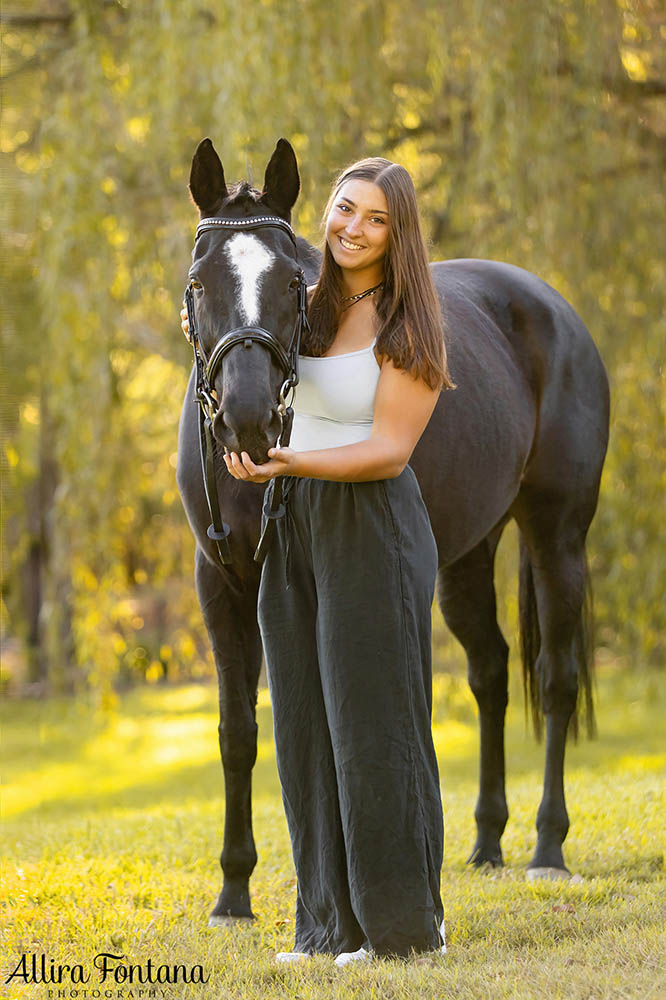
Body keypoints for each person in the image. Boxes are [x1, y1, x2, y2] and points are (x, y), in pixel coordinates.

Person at [182, 157, 455, 964]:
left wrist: (288, 464)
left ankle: (409, 928)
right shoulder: (305, 306)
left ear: (396, 231)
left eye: (374, 218)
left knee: (376, 729)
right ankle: (328, 923)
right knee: (304, 722)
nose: (352, 228)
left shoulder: (409, 322)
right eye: (344, 210)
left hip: (370, 525)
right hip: (294, 525)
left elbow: (387, 451)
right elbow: (235, 336)